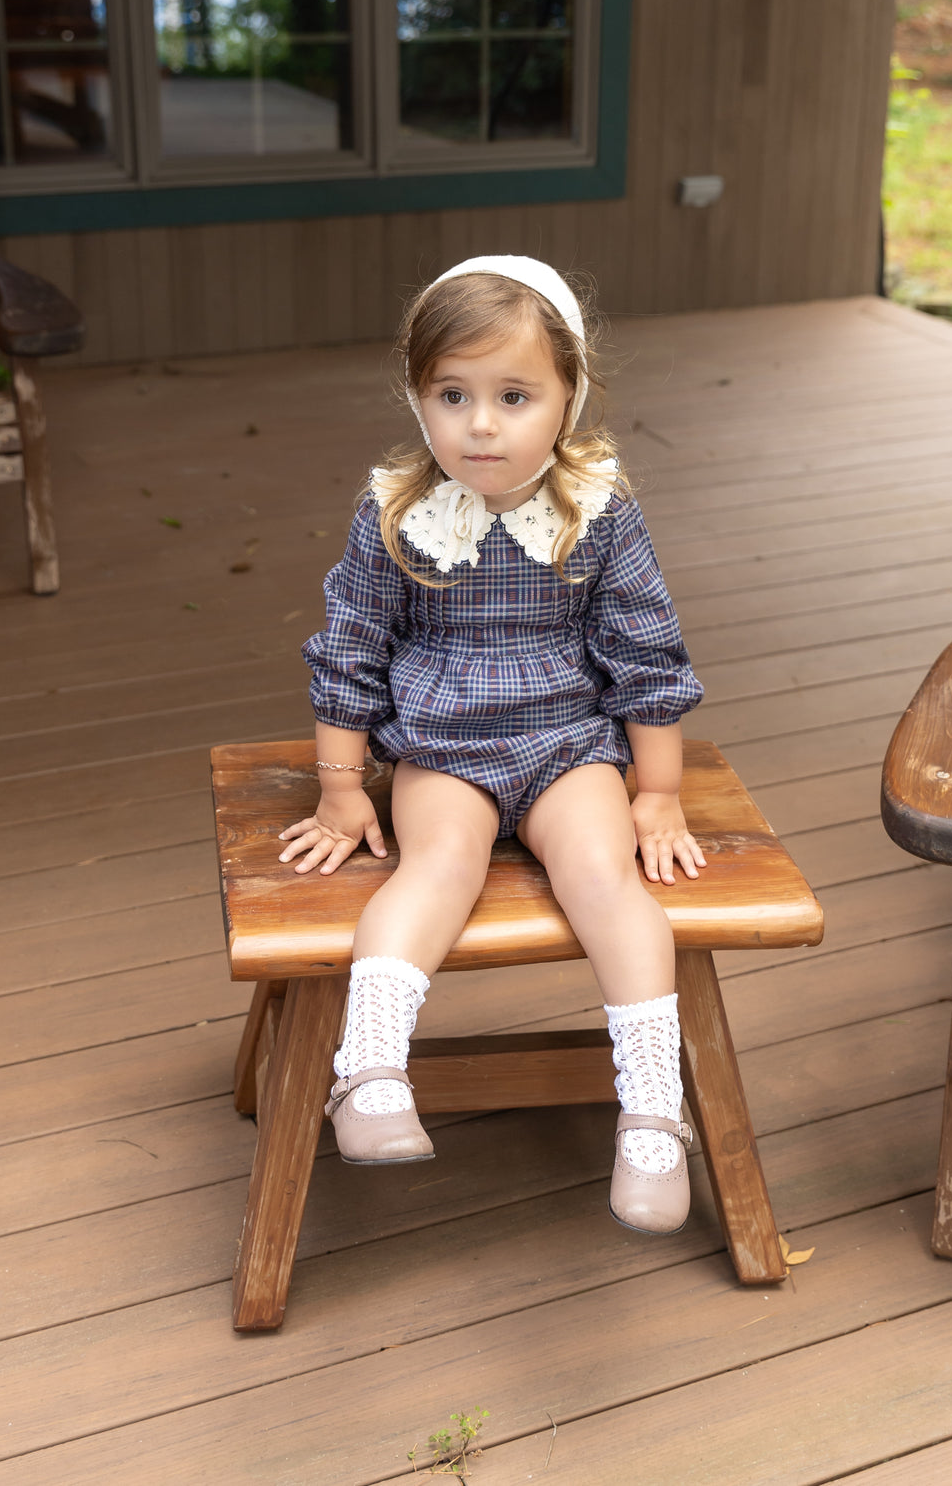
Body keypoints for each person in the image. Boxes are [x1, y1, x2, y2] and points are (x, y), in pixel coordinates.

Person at [279, 254, 705, 1234]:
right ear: (418, 399)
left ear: (568, 399)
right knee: (438, 864)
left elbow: (646, 653)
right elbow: (350, 648)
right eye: (452, 394)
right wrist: (343, 787)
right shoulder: (395, 515)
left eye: (514, 396)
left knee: (604, 875)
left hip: (567, 748)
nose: (481, 423)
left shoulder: (596, 517)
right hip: (444, 750)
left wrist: (658, 790)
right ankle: (371, 1070)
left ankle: (652, 1110)